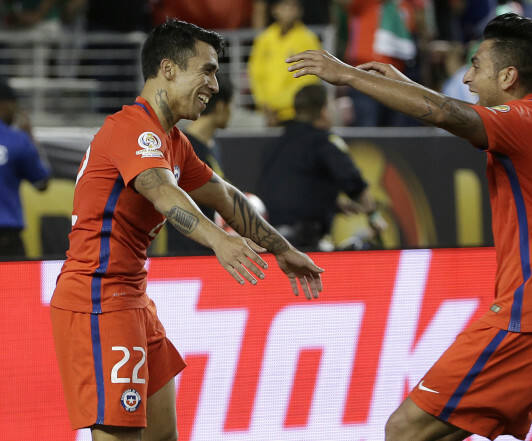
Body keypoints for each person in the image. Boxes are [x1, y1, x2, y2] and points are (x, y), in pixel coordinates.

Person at [287, 12, 532, 441]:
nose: (467, 78)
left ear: (508, 77)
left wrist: (350, 76)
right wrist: (405, 85)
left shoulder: (524, 121)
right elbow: (451, 109)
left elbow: (448, 113)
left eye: (476, 67)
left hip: (530, 318)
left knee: (404, 429)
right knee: (436, 434)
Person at [50, 18, 323, 441]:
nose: (214, 85)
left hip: (133, 299)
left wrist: (282, 249)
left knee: (163, 436)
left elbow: (224, 195)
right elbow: (162, 191)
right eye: (207, 70)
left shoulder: (173, 141)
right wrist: (220, 241)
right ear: (168, 68)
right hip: (98, 300)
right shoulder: (131, 128)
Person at [257, 84, 382, 250]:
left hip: (268, 243)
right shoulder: (325, 143)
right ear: (324, 111)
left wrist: (330, 202)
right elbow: (353, 183)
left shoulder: (275, 145)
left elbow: (290, 189)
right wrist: (374, 216)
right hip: (305, 245)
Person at [165, 72, 233, 254]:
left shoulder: (211, 146)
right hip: (184, 255)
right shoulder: (181, 147)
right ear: (221, 106)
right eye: (231, 105)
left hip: (210, 252)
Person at [248, 0, 321, 126]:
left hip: (296, 112)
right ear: (274, 10)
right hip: (267, 114)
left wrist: (276, 104)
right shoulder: (264, 39)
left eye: (292, 6)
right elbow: (256, 74)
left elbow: (309, 78)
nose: (288, 11)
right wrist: (264, 103)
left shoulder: (308, 39)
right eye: (284, 6)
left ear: (299, 11)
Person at [0, 79, 51, 258]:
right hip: (5, 236)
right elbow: (42, 182)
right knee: (12, 278)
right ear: (5, 104)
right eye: (15, 106)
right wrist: (30, 135)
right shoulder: (17, 139)